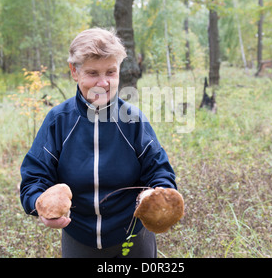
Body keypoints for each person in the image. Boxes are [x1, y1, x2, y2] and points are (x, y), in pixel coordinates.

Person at [20, 28, 177, 258]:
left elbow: (160, 172)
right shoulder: (58, 121)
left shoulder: (133, 120)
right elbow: (34, 179)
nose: (103, 82)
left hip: (133, 239)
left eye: (111, 72)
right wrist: (40, 205)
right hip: (79, 239)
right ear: (75, 71)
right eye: (93, 73)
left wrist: (156, 197)